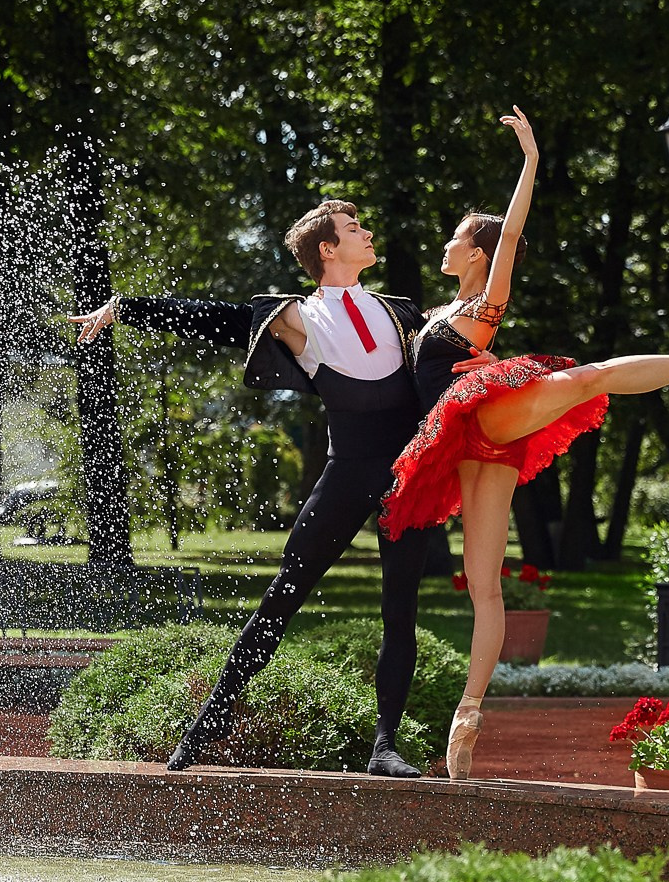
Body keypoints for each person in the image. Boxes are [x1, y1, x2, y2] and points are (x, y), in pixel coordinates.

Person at [383, 113, 669, 779]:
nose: (446, 245)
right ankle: (468, 713)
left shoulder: (483, 305)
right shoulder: (430, 316)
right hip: (460, 446)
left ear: (476, 254)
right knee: (483, 584)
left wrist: (531, 160)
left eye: (457, 237)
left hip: (486, 413)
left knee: (585, 378)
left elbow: (511, 233)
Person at [69, 201, 442, 776]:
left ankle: (384, 747)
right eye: (354, 228)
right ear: (327, 249)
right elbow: (216, 319)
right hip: (347, 472)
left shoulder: (400, 311)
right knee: (283, 595)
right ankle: (207, 724)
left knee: (401, 608)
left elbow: (449, 353)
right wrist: (126, 307)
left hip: (407, 474)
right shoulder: (296, 317)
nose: (368, 232)